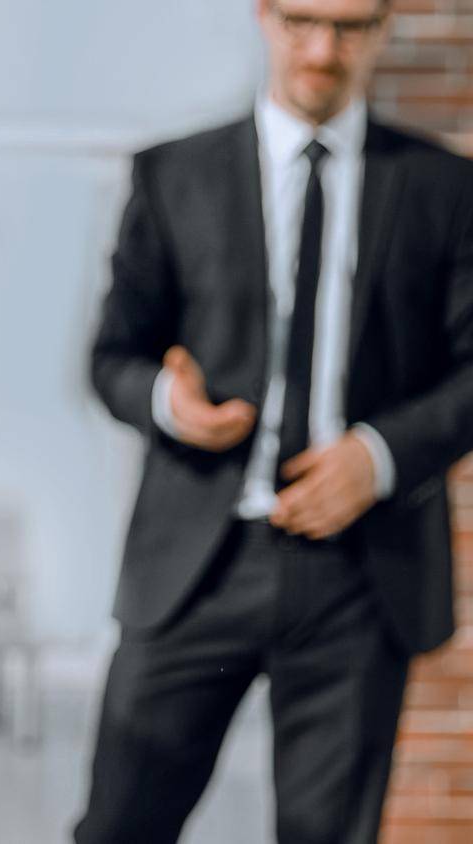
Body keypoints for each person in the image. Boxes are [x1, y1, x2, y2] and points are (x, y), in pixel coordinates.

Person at [79, 0, 473, 841]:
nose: (323, 49)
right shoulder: (170, 175)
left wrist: (379, 456)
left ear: (385, 30)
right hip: (195, 563)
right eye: (301, 20)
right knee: (117, 828)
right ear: (263, 17)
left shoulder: (447, 189)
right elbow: (112, 359)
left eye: (351, 26)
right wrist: (166, 403)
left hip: (361, 575)